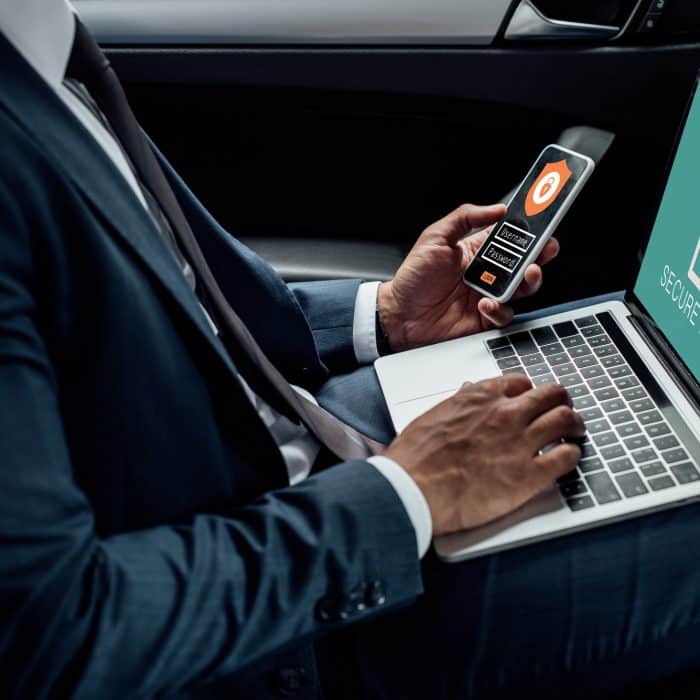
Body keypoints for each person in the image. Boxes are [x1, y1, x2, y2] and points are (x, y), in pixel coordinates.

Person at [1, 2, 700, 699]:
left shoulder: (37, 43)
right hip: (285, 610)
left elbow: (183, 304)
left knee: (648, 356)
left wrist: (386, 318)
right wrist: (409, 494)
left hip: (310, 433)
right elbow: (55, 636)